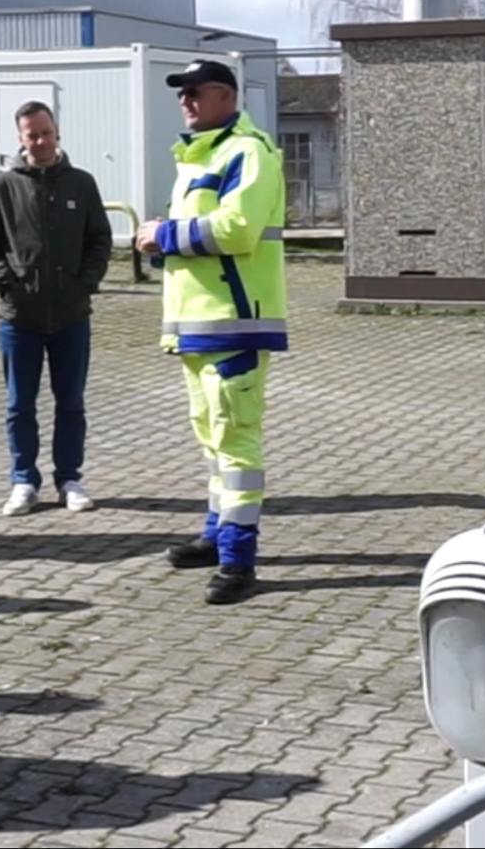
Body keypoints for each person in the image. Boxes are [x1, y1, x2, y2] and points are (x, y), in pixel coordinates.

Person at [136, 60, 285, 606]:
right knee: (211, 436)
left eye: (194, 92)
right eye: (181, 94)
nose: (185, 101)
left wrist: (164, 234)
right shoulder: (202, 154)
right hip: (200, 326)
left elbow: (237, 229)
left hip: (233, 323)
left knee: (236, 440)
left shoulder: (247, 151)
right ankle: (218, 532)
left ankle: (239, 561)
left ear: (225, 95)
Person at [0, 101, 113, 516]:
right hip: (20, 319)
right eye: (32, 135)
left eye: (46, 132)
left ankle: (70, 478)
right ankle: (23, 481)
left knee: (71, 402)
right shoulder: (3, 186)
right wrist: (6, 282)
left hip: (71, 316)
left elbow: (99, 239)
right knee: (19, 406)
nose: (41, 141)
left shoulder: (81, 184)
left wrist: (85, 284)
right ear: (20, 138)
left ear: (57, 132)